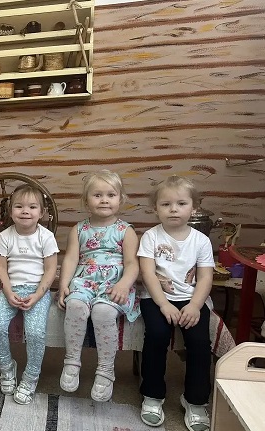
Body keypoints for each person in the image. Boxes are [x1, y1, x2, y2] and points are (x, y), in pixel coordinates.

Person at [137, 175, 214, 430]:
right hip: (157, 298)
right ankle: (152, 395)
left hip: (191, 299)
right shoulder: (151, 236)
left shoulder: (201, 240)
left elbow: (205, 277)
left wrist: (195, 306)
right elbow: (148, 274)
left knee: (199, 342)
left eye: (181, 203)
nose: (173, 209)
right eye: (166, 204)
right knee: (157, 335)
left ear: (194, 207)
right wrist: (163, 304)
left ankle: (195, 400)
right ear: (156, 208)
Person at [57, 169, 140, 402]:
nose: (104, 200)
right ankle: (72, 360)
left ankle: (105, 369)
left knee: (103, 312)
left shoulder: (126, 231)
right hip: (84, 280)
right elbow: (71, 259)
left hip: (114, 283)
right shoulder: (79, 229)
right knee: (75, 305)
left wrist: (124, 284)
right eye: (97, 195)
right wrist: (64, 285)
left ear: (120, 199)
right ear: (86, 201)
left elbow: (132, 263)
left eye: (111, 195)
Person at [0, 185, 59, 404]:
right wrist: (8, 292)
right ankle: (6, 366)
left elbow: (50, 270)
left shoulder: (46, 237)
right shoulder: (5, 236)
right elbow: (1, 268)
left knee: (35, 332)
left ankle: (30, 377)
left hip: (38, 291)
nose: (25, 211)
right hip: (10, 289)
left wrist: (37, 296)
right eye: (19, 206)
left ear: (42, 212)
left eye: (32, 207)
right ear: (11, 211)